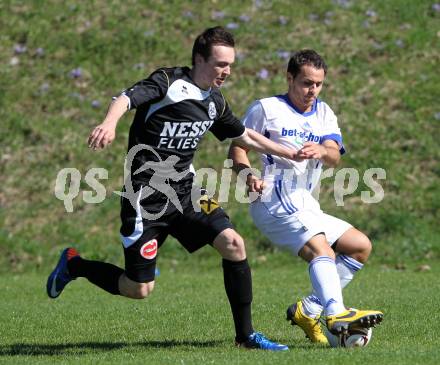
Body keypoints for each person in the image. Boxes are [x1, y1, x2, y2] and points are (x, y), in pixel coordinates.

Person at [46, 26, 299, 351]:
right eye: (220, 64)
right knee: (139, 288)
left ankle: (246, 337)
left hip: (187, 192)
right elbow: (125, 98)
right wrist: (109, 123)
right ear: (199, 59)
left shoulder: (214, 103)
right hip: (145, 199)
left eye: (230, 64)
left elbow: (244, 136)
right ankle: (73, 264)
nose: (226, 71)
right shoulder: (167, 82)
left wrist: (288, 152)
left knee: (234, 243)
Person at [229, 49, 383, 344]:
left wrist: (323, 151)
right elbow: (237, 148)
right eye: (306, 83)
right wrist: (247, 174)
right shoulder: (266, 108)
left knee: (359, 246)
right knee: (321, 249)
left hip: (305, 202)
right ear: (289, 78)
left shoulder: (323, 112)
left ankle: (308, 309)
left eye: (318, 84)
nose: (312, 90)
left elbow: (334, 155)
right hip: (275, 197)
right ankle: (336, 313)